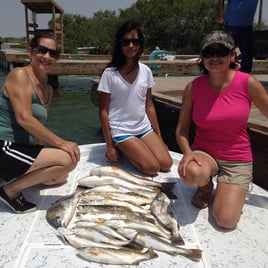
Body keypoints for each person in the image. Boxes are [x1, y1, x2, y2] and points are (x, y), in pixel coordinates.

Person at [176, 30, 268, 229]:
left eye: (222, 52)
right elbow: (182, 131)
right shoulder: (194, 87)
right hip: (205, 153)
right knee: (190, 173)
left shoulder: (248, 83)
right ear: (202, 57)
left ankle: (233, 189)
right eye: (209, 53)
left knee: (225, 220)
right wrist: (187, 153)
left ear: (232, 55)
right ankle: (205, 185)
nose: (215, 58)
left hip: (237, 158)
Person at [0, 33, 80, 214]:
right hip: (4, 146)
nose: (47, 56)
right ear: (30, 51)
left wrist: (45, 157)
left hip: (22, 148)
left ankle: (10, 175)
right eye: (42, 50)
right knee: (68, 159)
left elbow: (37, 131)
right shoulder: (19, 74)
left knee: (59, 177)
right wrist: (61, 143)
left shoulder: (48, 90)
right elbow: (24, 118)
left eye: (53, 53)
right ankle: (9, 191)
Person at [97, 21, 172, 176]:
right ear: (119, 44)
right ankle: (121, 147)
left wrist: (159, 137)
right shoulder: (110, 74)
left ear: (140, 44)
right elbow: (103, 111)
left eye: (135, 41)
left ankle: (128, 150)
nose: (131, 46)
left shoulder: (146, 71)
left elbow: (149, 105)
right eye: (126, 42)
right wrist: (109, 145)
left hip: (143, 127)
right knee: (152, 168)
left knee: (166, 164)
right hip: (121, 129)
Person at [217, 0, 259, 73]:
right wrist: (220, 15)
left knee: (248, 54)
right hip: (232, 24)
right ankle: (225, 76)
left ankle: (245, 78)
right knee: (227, 52)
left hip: (247, 25)